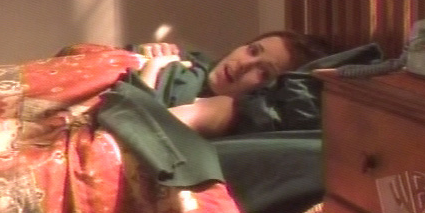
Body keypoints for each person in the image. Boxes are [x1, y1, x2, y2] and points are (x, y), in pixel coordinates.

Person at [130, 30, 332, 137]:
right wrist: (139, 56)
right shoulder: (189, 62)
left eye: (263, 72)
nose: (243, 64)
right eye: (253, 51)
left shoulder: (226, 115)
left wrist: (151, 70)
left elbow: (136, 130)